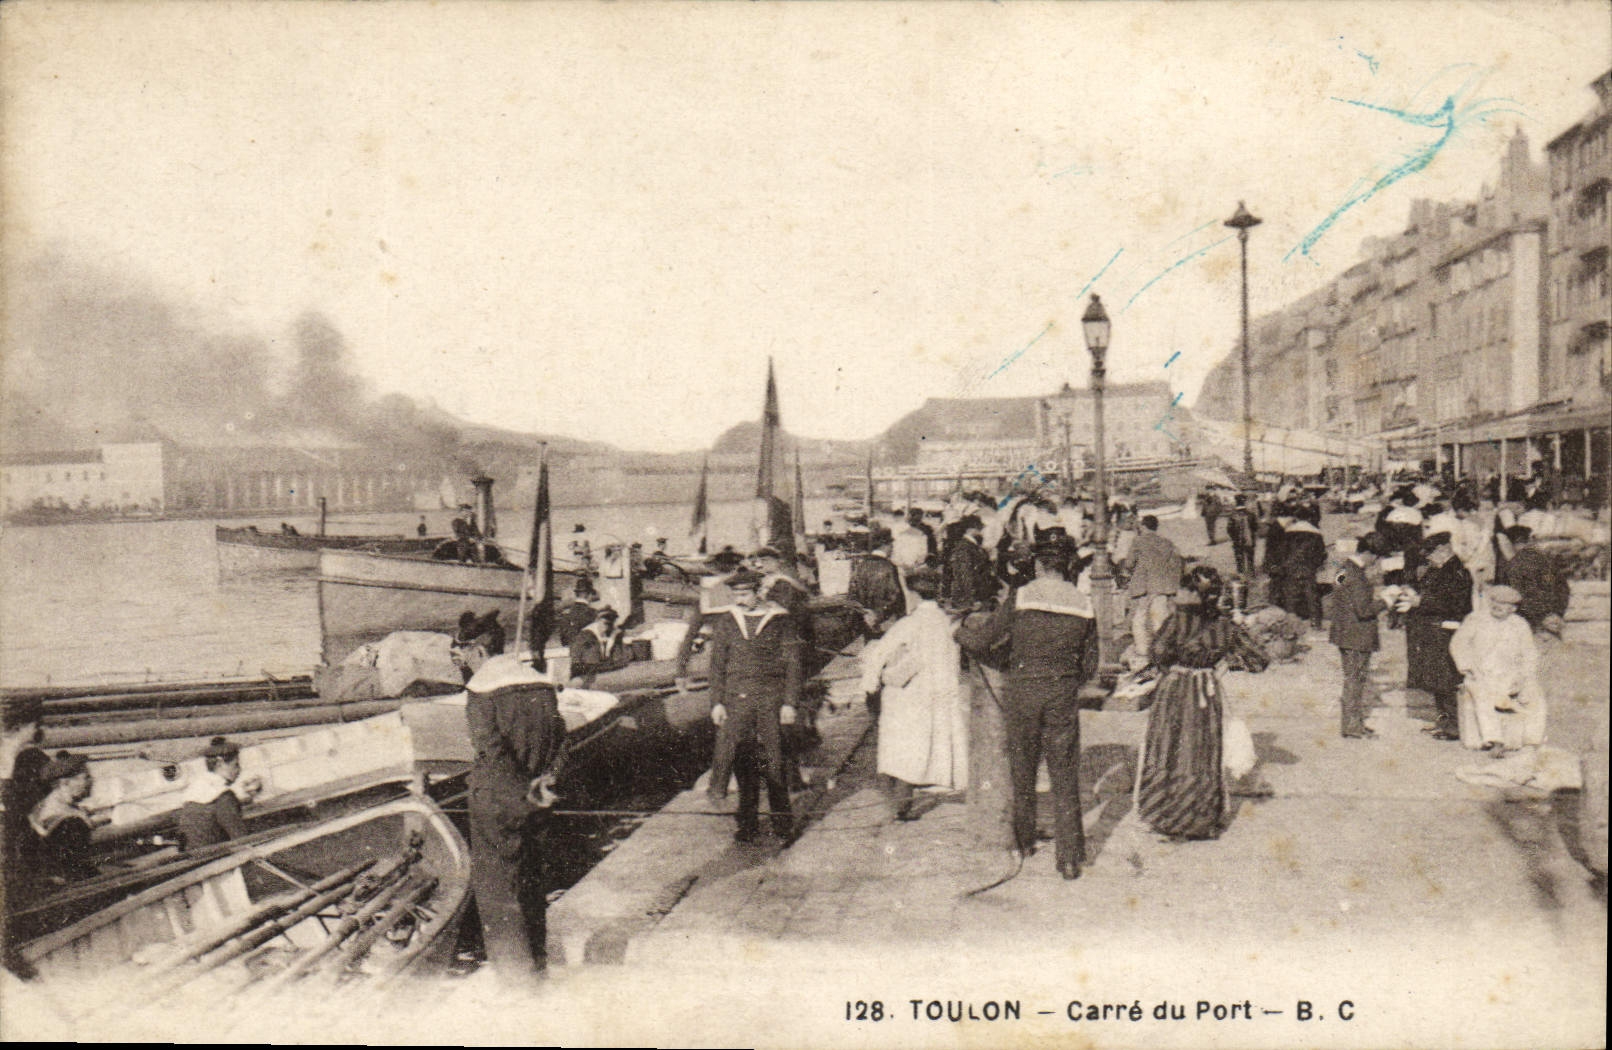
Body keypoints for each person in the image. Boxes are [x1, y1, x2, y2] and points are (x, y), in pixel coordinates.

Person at [956, 533, 1096, 880]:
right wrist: (1062, 678)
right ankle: (1069, 858)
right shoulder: (1084, 604)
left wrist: (959, 632)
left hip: (1023, 692)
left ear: (1038, 563)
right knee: (1064, 775)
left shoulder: (1022, 597)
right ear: (1068, 566)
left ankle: (1024, 841)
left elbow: (986, 639)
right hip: (1061, 692)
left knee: (1023, 770)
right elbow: (1090, 665)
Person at [1137, 566, 1270, 840]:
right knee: (1201, 751)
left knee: (1168, 749)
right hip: (1205, 692)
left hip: (1174, 690)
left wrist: (1177, 658)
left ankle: (1166, 815)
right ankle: (1200, 818)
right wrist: (1221, 662)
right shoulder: (1225, 625)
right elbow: (1258, 660)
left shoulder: (1177, 620)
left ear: (1193, 593)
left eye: (1185, 588)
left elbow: (1158, 652)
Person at [464, 654, 567, 981]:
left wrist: (521, 792)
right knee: (532, 881)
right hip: (540, 800)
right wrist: (546, 781)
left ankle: (515, 978)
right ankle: (538, 963)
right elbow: (561, 739)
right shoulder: (542, 686)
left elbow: (492, 754)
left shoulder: (482, 693)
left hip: (497, 804)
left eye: (462, 653)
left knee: (499, 889)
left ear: (478, 652)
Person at [857, 567, 967, 821]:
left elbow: (879, 653)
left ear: (913, 594)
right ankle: (903, 801)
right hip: (938, 694)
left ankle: (898, 803)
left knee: (897, 750)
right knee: (922, 748)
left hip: (907, 696)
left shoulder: (910, 623)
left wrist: (870, 683)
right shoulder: (946, 622)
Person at [705, 570, 803, 843]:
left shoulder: (781, 621)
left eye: (744, 593)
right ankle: (746, 822)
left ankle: (782, 822)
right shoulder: (727, 621)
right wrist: (717, 703)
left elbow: (793, 664)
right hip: (736, 698)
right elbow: (716, 666)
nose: (739, 599)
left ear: (759, 592)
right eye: (735, 594)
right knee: (740, 757)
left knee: (776, 758)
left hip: (771, 698)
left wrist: (790, 703)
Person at [1451, 585, 1547, 755]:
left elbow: (1530, 654)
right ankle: (1495, 740)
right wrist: (1467, 667)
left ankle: (1532, 740)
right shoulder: (1475, 619)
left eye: (1503, 604)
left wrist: (1524, 677)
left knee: (1534, 693)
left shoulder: (1520, 624)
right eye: (1494, 602)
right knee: (1483, 694)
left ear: (1513, 608)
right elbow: (1458, 644)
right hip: (1481, 673)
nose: (1497, 606)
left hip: (1510, 675)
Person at [1402, 532, 1473, 742]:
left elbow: (1455, 604)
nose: (1428, 559)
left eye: (1431, 554)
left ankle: (1453, 727)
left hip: (1447, 631)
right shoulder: (1438, 570)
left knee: (1448, 680)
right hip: (1433, 632)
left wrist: (1420, 602)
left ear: (1444, 550)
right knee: (1437, 680)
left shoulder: (1458, 573)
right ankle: (1443, 721)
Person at [1328, 532, 1391, 740]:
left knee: (1352, 680)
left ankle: (1353, 723)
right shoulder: (1357, 576)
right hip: (1357, 635)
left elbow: (1338, 595)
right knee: (1355, 682)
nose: (1376, 561)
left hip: (1344, 632)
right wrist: (1386, 601)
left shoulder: (1343, 569)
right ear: (1367, 553)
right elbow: (1364, 610)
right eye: (1376, 556)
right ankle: (1353, 726)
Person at [21, 752, 106, 892]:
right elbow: (76, 866)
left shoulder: (43, 805)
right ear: (65, 782)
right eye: (86, 778)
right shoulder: (70, 822)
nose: (90, 782)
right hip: (67, 889)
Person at [674, 547, 746, 689]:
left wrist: (681, 672)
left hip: (723, 655)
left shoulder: (708, 594)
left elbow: (689, 637)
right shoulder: (745, 591)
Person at [175, 737, 262, 850]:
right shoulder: (224, 797)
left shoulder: (196, 790)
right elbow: (241, 838)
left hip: (193, 858)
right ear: (220, 763)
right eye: (235, 765)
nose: (239, 770)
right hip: (215, 859)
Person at [1124, 515, 1183, 667]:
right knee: (1160, 619)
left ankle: (1142, 651)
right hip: (1162, 585)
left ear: (1143, 526)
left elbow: (1129, 563)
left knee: (1139, 618)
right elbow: (1176, 563)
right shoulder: (1167, 542)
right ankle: (1161, 650)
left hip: (1143, 585)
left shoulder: (1138, 541)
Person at [1501, 526, 1570, 636]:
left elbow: (1517, 596)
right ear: (1529, 540)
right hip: (1553, 622)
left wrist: (1539, 617)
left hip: (1528, 624)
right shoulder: (1547, 560)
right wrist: (1557, 613)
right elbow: (1563, 588)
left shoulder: (1513, 566)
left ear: (1511, 543)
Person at [848, 528, 906, 636]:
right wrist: (878, 614)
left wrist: (866, 613)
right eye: (891, 545)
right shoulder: (889, 566)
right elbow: (895, 596)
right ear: (886, 545)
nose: (892, 549)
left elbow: (852, 595)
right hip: (884, 623)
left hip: (865, 622)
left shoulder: (860, 565)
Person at [1279, 506, 1328, 628]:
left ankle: (1291, 624)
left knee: (1291, 595)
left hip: (1291, 567)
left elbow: (1282, 552)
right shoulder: (1316, 533)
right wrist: (1315, 565)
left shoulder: (1288, 532)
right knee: (1312, 595)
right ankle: (1316, 623)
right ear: (1309, 518)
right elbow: (1321, 554)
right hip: (1308, 567)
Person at [945, 514, 997, 610]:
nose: (981, 531)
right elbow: (964, 574)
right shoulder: (964, 547)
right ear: (970, 530)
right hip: (968, 600)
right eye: (979, 528)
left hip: (976, 597)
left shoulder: (973, 546)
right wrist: (972, 599)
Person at [570, 606, 629, 688]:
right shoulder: (586, 634)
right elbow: (579, 659)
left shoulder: (615, 633)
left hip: (605, 671)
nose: (607, 626)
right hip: (585, 673)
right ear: (598, 620)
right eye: (605, 623)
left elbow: (620, 658)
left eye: (610, 623)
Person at [1226, 495, 1258, 578]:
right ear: (1245, 503)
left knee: (1239, 557)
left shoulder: (1232, 516)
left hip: (1238, 541)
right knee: (1250, 557)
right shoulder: (1251, 515)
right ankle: (1251, 573)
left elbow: (1229, 529)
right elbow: (1255, 527)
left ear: (1236, 503)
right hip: (1249, 540)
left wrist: (1234, 537)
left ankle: (1241, 574)